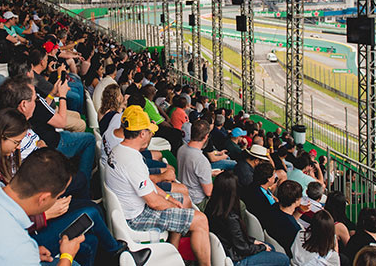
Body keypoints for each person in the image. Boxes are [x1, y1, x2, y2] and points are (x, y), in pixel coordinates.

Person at [0, 108, 151, 266]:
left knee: (89, 239)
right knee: (89, 213)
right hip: (17, 238)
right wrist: (46, 222)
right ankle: (117, 253)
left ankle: (115, 253)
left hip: (18, 233)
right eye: (16, 142)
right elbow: (0, 230)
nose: (19, 147)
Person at [104, 105, 212, 266]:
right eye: (149, 131)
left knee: (183, 200)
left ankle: (173, 251)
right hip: (137, 217)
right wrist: (172, 205)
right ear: (142, 134)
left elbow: (148, 185)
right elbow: (153, 202)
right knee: (201, 219)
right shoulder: (132, 160)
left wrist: (168, 197)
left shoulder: (120, 150)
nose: (151, 134)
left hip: (132, 209)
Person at [205, 171, 290, 266]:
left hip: (227, 251)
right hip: (236, 259)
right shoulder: (230, 216)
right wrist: (261, 247)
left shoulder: (211, 206)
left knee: (269, 247)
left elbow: (236, 237)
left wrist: (253, 241)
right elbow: (242, 248)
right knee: (284, 259)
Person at [177, 119, 219, 209]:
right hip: (197, 201)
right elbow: (209, 192)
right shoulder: (202, 161)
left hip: (184, 195)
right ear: (206, 137)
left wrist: (209, 173)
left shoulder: (181, 148)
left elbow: (191, 170)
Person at [264, 180, 304, 257]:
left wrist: (299, 212)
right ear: (296, 200)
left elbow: (288, 220)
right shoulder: (295, 230)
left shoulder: (273, 208)